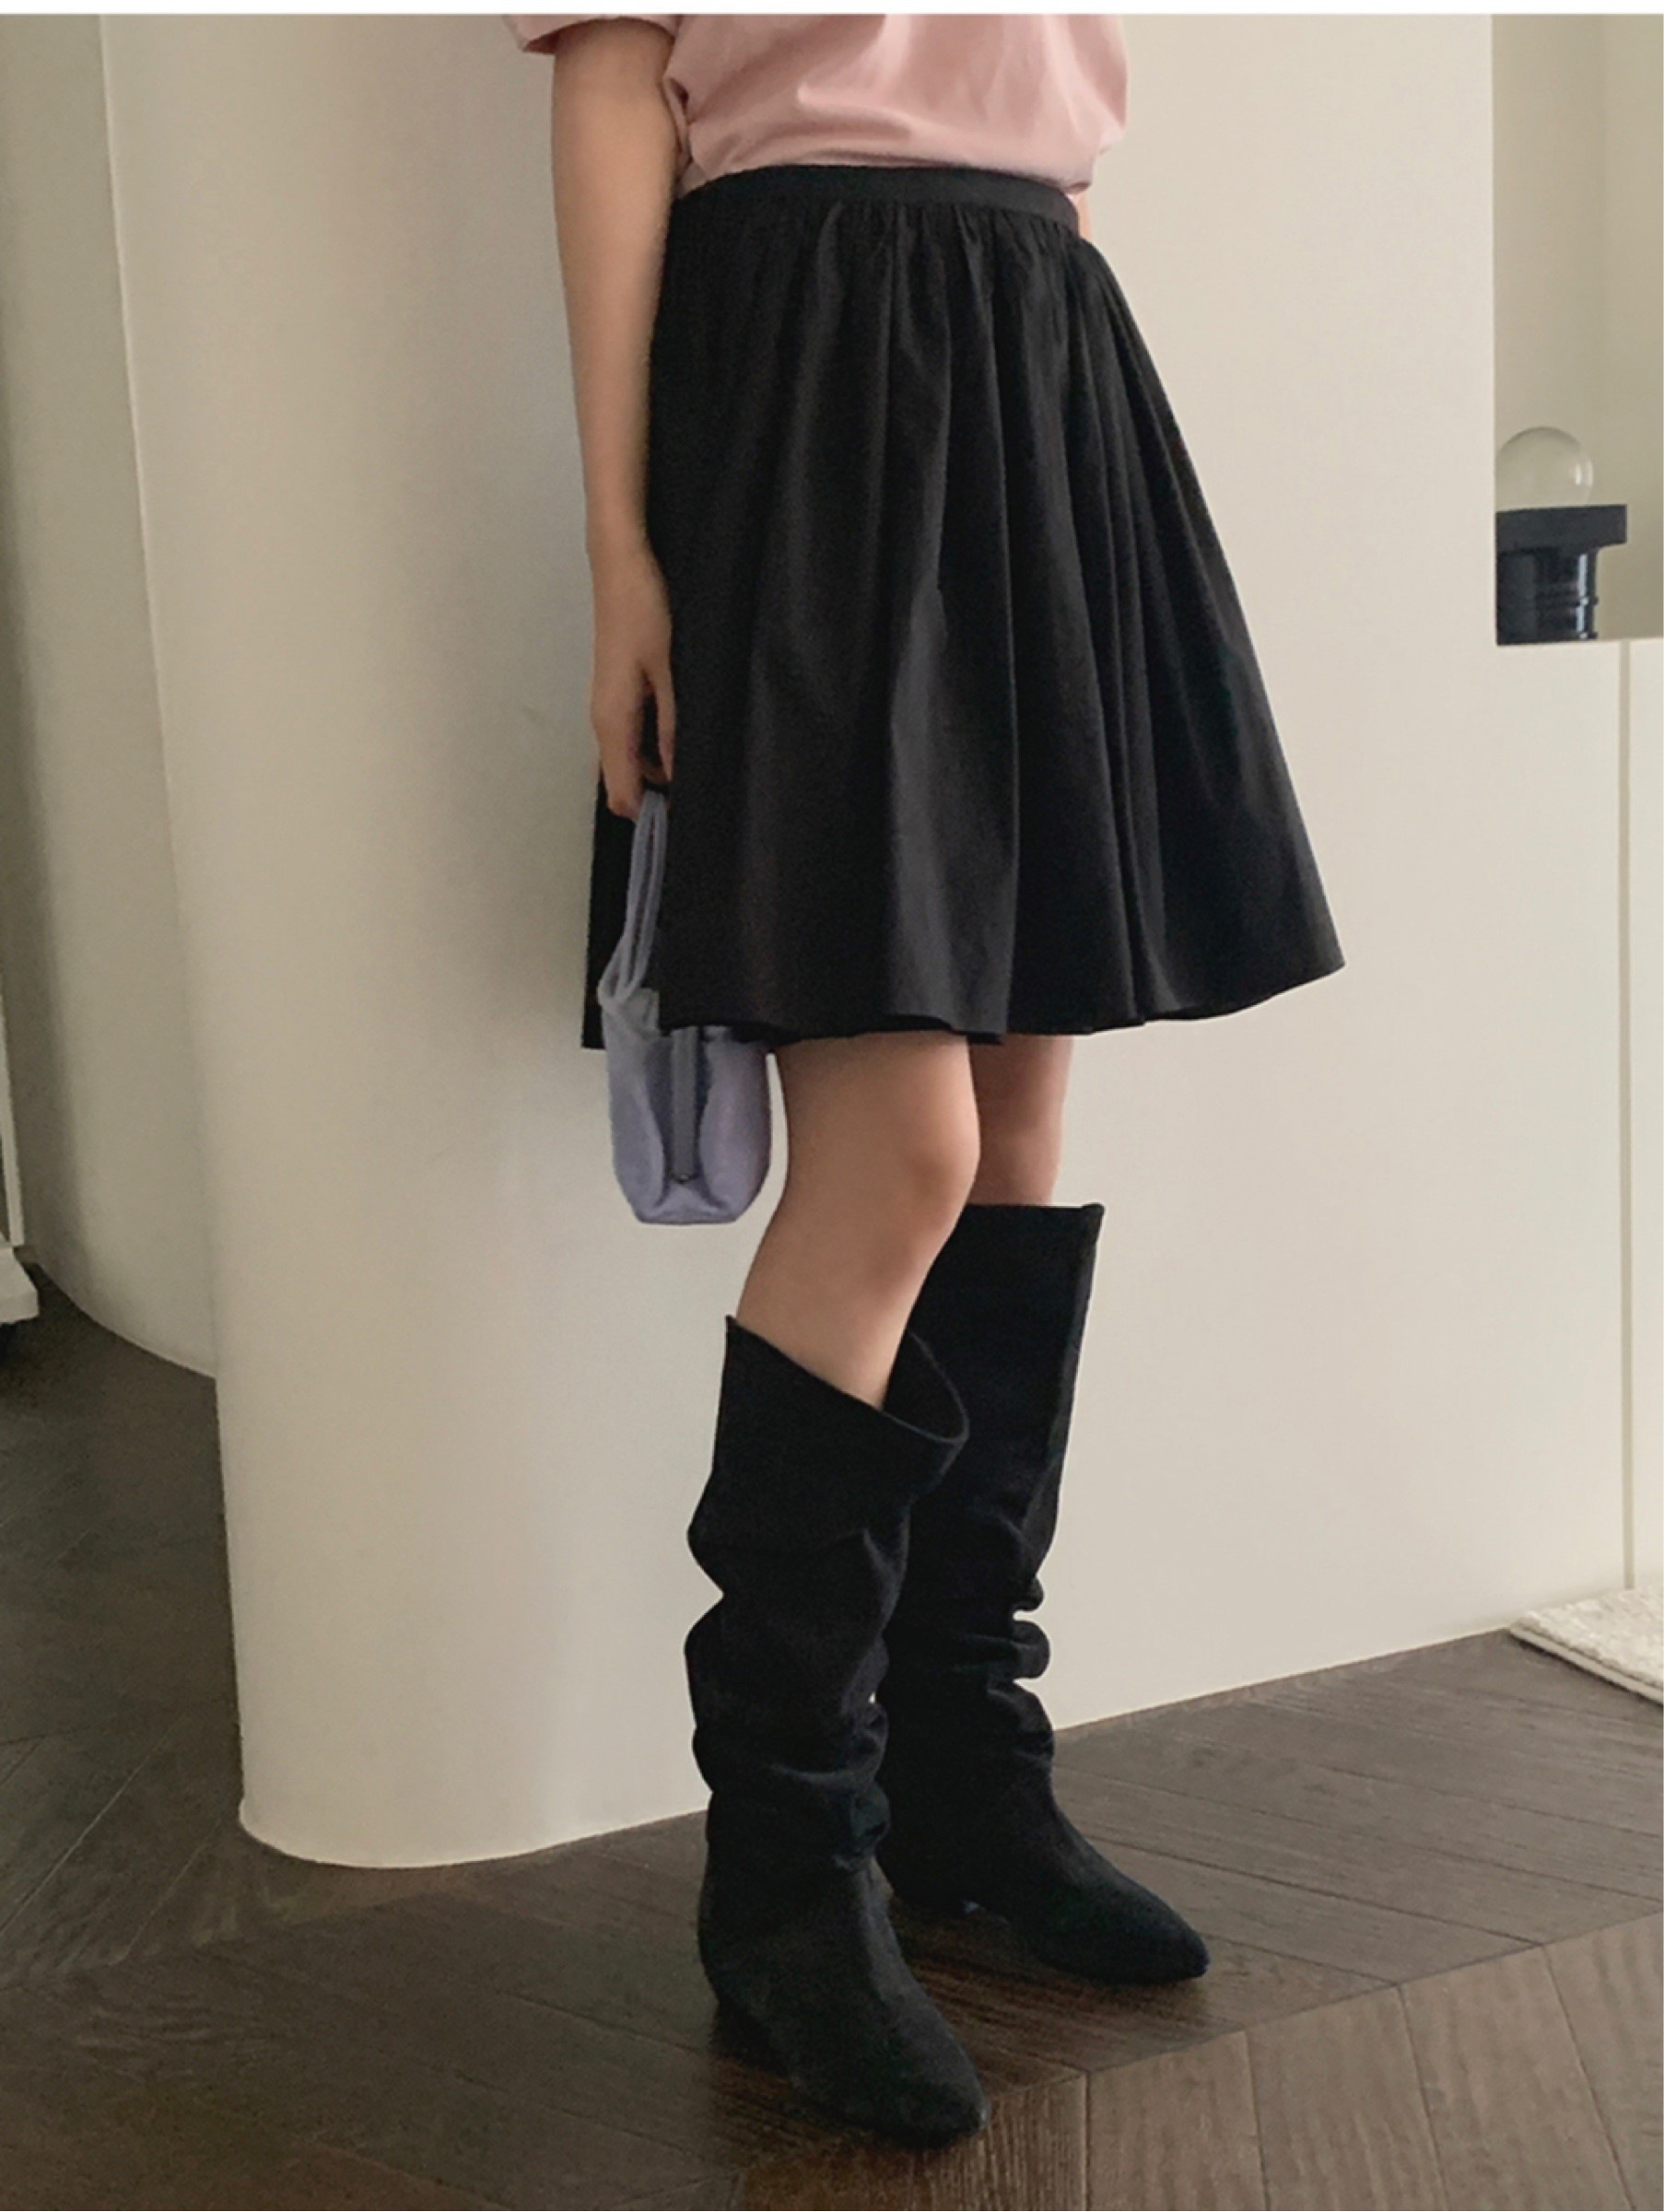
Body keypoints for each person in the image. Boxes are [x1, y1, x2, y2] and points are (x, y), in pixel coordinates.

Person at [508, 12, 1345, 2148]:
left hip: (1039, 364)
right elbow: (609, 84)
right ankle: (788, 1867)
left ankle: (972, 1773)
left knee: (1022, 1123)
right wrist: (622, 545)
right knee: (904, 1148)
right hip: (804, 371)